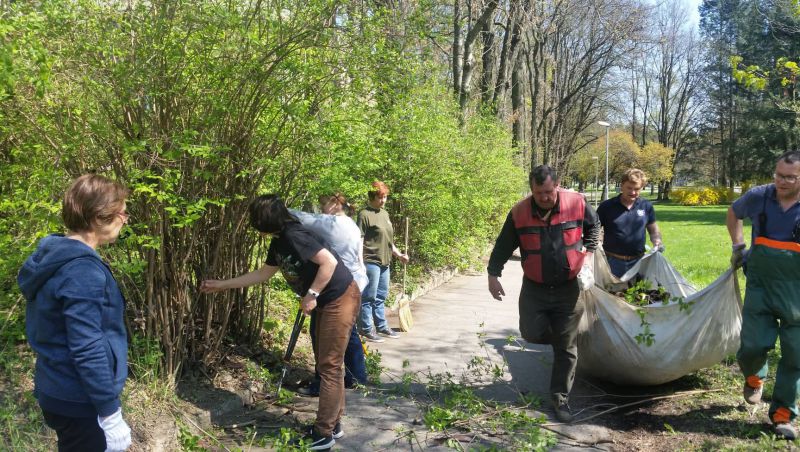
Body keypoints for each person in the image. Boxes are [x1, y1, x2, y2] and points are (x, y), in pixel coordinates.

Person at [200, 194, 360, 450]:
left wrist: (312, 294)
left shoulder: (294, 235)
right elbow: (263, 273)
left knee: (329, 366)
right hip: (328, 300)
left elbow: (328, 263)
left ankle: (323, 434)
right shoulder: (279, 240)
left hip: (339, 297)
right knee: (329, 364)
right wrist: (222, 285)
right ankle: (332, 424)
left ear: (264, 221)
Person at [17, 174, 133, 452]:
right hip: (79, 399)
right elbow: (86, 344)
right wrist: (110, 413)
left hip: (56, 388)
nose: (125, 219)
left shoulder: (54, 256)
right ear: (98, 217)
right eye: (122, 213)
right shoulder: (82, 270)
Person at [487, 165, 600, 423]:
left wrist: (590, 252)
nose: (545, 197)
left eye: (549, 191)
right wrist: (493, 275)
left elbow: (594, 226)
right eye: (539, 193)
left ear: (557, 185)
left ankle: (560, 398)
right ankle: (562, 340)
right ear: (532, 190)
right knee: (529, 332)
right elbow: (503, 245)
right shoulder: (519, 212)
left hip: (569, 288)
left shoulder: (577, 203)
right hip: (535, 288)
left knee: (566, 346)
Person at [727, 150, 800, 440]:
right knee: (752, 346)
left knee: (796, 357)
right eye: (778, 175)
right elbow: (733, 213)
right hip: (761, 286)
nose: (782, 182)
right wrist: (738, 246)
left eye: (790, 177)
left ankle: (783, 416)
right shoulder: (759, 196)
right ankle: (754, 378)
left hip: (797, 292)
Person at [290, 193, 369, 395]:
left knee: (322, 334)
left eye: (324, 204)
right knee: (348, 333)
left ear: (335, 204)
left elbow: (302, 217)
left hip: (340, 286)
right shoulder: (351, 223)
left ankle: (323, 383)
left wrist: (273, 208)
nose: (322, 209)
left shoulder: (333, 223)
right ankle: (356, 377)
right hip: (354, 282)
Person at [356, 181, 409, 342]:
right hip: (371, 261)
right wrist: (359, 262)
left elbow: (388, 240)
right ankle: (365, 329)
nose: (384, 200)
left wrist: (399, 255)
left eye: (385, 197)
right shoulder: (364, 214)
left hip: (385, 261)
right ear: (372, 197)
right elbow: (359, 239)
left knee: (381, 296)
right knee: (368, 297)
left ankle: (382, 326)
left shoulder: (384, 214)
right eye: (381, 197)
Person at [596, 168, 663, 278]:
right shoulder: (607, 206)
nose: (632, 192)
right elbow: (595, 229)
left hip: (639, 262)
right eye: (629, 188)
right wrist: (596, 244)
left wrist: (657, 241)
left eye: (636, 189)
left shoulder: (646, 206)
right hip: (612, 262)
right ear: (622, 185)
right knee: (613, 293)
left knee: (638, 293)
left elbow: (653, 229)